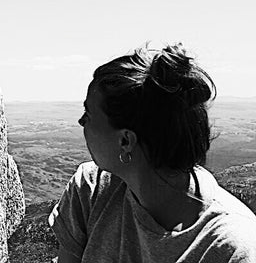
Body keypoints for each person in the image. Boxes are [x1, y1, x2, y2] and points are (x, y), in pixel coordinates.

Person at [49, 44, 256, 262]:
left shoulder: (232, 247)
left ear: (125, 140)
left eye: (88, 115)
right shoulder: (90, 190)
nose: (82, 122)